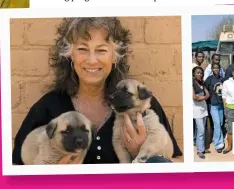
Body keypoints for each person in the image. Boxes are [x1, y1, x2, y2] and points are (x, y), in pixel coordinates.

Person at [11, 17, 182, 165]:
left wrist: (145, 154)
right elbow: (15, 167)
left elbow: (178, 161)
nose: (92, 60)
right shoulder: (48, 107)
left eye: (101, 50)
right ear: (70, 55)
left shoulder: (141, 105)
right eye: (82, 49)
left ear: (115, 57)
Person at [204, 63, 225, 153]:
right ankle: (218, 144)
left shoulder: (222, 79)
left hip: (221, 105)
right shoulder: (209, 79)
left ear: (220, 69)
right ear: (212, 69)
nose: (216, 69)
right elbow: (205, 89)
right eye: (214, 68)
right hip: (213, 105)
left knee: (220, 124)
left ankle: (215, 138)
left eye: (218, 68)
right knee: (216, 125)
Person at [192, 66, 210, 159]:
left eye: (201, 73)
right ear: (193, 74)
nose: (200, 74)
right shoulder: (191, 83)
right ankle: (199, 151)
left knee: (203, 130)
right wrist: (204, 97)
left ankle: (202, 148)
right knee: (201, 130)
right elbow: (195, 98)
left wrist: (202, 97)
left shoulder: (202, 83)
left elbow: (208, 94)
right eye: (198, 73)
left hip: (203, 108)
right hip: (196, 110)